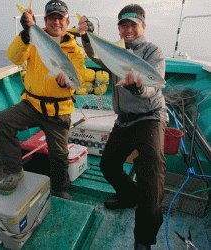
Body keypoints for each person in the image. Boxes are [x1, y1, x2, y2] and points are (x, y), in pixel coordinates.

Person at [78, 4, 168, 250]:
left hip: (150, 117)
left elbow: (154, 86)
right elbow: (95, 55)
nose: (128, 30)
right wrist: (86, 37)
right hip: (124, 120)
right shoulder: (115, 50)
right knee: (107, 166)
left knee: (151, 177)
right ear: (119, 29)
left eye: (133, 25)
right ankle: (129, 196)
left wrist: (139, 88)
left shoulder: (153, 52)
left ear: (143, 26)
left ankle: (144, 240)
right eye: (123, 25)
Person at [0, 0, 85, 199]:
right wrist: (27, 33)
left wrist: (65, 83)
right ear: (45, 20)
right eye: (51, 18)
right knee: (2, 121)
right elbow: (15, 57)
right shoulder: (34, 39)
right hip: (32, 104)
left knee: (59, 154)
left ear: (67, 21)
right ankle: (13, 171)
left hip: (59, 109)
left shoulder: (75, 50)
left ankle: (59, 188)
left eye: (60, 18)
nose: (56, 22)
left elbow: (79, 77)